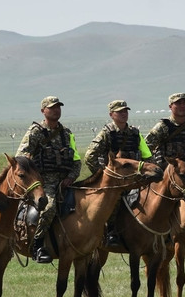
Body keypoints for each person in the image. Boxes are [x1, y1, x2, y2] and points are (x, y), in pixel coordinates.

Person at [15, 96, 81, 264]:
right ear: (43, 111)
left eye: (58, 107)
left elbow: (76, 159)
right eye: (52, 108)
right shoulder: (35, 131)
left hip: (65, 181)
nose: (56, 110)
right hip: (43, 183)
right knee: (49, 206)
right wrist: (33, 177)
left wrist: (71, 176)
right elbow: (21, 157)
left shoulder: (67, 133)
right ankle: (37, 244)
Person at [84, 99, 153, 248]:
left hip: (135, 177)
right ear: (111, 114)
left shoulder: (135, 133)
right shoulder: (106, 133)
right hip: (116, 180)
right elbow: (90, 156)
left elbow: (147, 156)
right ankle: (111, 232)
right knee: (114, 201)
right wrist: (104, 174)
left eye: (125, 111)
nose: (124, 114)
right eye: (119, 111)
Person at [145, 92, 185, 168]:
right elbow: (146, 148)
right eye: (178, 103)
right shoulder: (163, 127)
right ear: (170, 106)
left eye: (184, 103)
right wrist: (156, 166)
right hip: (167, 172)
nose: (182, 106)